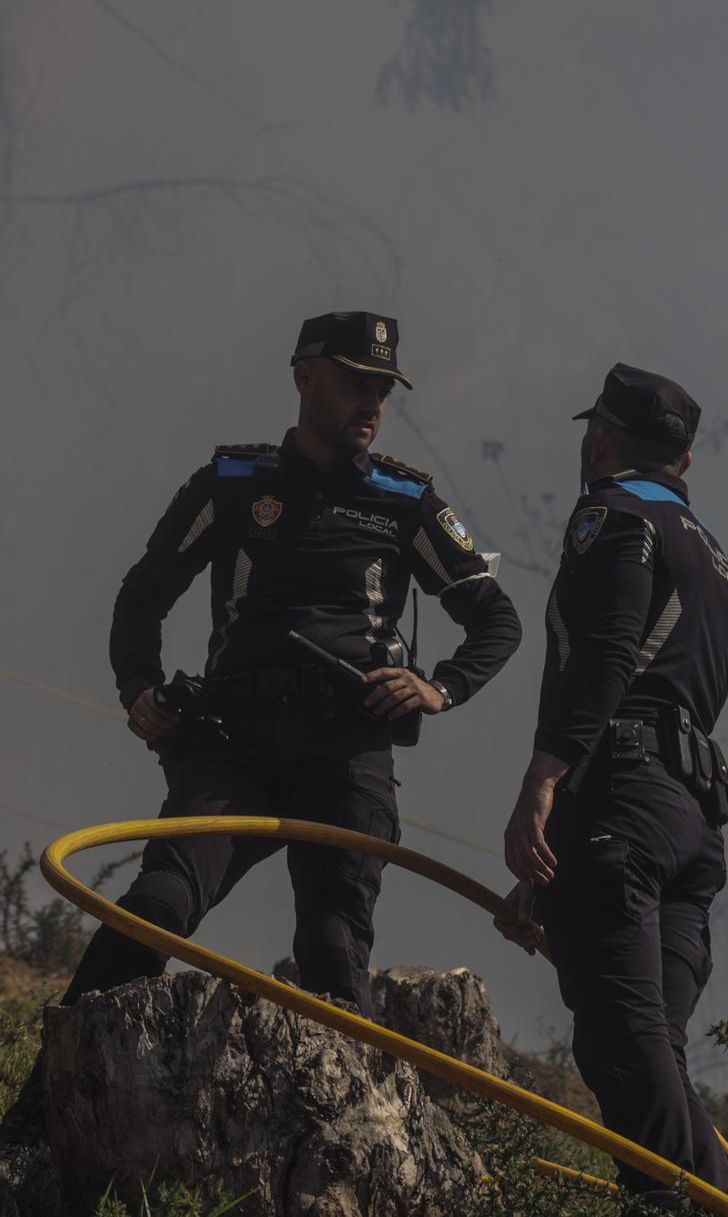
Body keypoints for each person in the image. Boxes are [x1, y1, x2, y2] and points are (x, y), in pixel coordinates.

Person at [0, 311, 521, 1151]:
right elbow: (143, 594)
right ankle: (34, 1113)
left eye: (385, 388)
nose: (372, 402)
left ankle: (345, 1154)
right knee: (158, 903)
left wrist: (438, 686)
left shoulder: (403, 497)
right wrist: (139, 689)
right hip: (231, 743)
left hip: (349, 752)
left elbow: (496, 619)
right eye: (357, 380)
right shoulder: (232, 484)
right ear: (305, 374)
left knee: (332, 940)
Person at [497, 363, 728, 1201]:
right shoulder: (713, 555)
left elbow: (605, 652)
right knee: (651, 1054)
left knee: (623, 1042)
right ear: (685, 462)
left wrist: (545, 785)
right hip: (691, 824)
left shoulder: (611, 514)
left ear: (601, 437)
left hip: (621, 802)